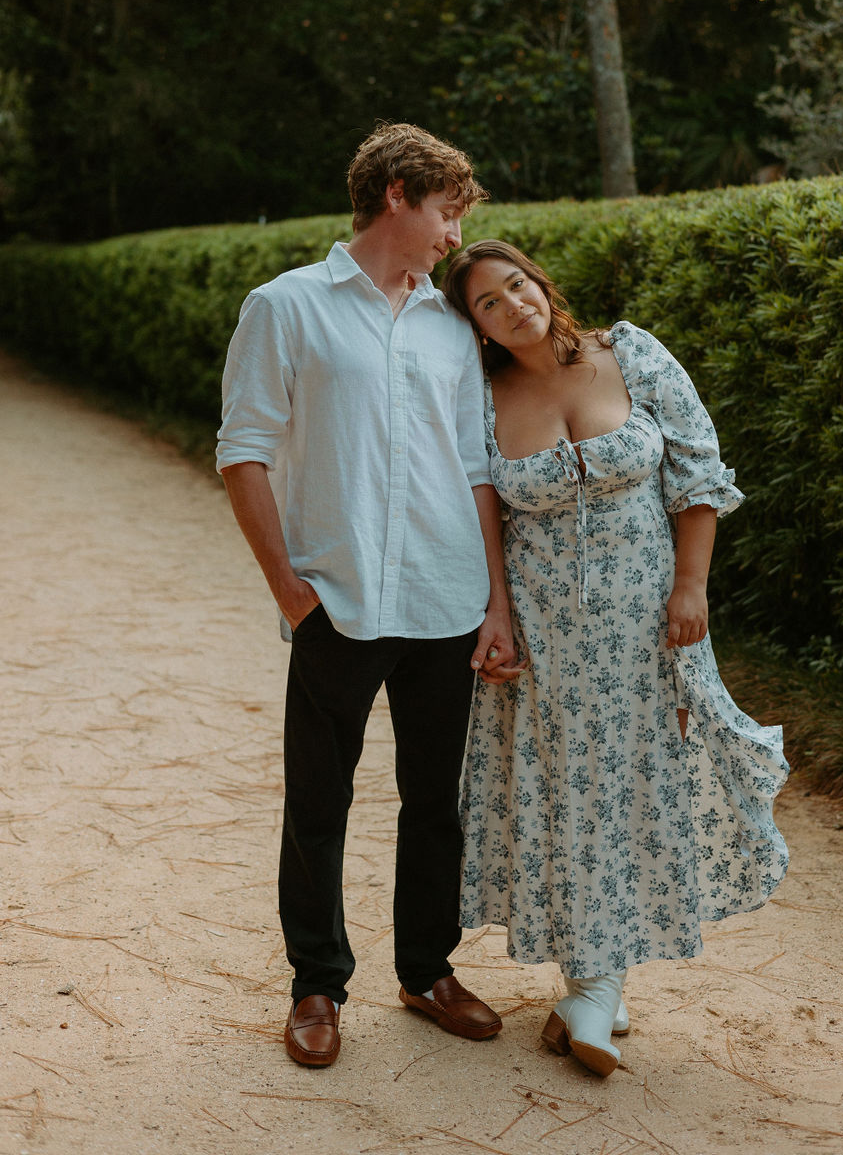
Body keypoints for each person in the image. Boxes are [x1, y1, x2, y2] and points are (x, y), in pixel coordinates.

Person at [442, 240, 789, 1077]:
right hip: (547, 631)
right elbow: (482, 512)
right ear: (477, 328)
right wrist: (497, 617)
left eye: (516, 284)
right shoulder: (484, 397)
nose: (512, 304)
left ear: (540, 282)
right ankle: (594, 986)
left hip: (648, 623)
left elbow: (697, 473)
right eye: (488, 302)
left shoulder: (629, 352)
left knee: (637, 779)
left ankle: (600, 977)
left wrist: (692, 588)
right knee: (568, 788)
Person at [216, 126, 520, 1069]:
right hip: (337, 604)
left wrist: (497, 604)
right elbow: (244, 449)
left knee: (436, 799)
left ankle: (427, 970)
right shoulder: (286, 307)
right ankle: (316, 984)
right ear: (397, 195)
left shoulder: (449, 324)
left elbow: (477, 465)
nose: (452, 232)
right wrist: (288, 587)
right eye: (446, 210)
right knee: (319, 800)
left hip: (446, 599)